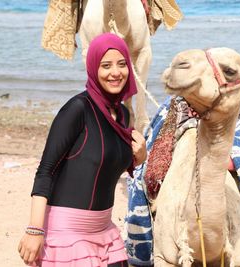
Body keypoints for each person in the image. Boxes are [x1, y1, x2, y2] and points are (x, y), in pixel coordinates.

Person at [17, 33, 147, 267]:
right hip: (68, 234)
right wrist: (35, 230)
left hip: (105, 230)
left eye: (122, 64)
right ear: (93, 69)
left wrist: (139, 157)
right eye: (105, 65)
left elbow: (104, 163)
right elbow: (45, 170)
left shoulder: (123, 114)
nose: (115, 72)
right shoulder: (78, 109)